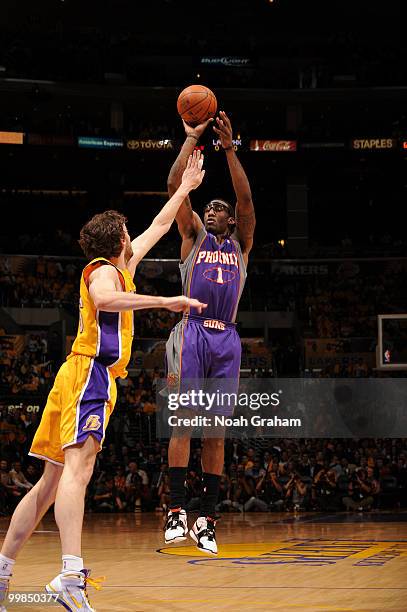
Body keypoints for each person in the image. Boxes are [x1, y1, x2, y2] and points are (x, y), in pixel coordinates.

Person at [0, 151, 207, 612]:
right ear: (117, 240)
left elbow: (158, 224)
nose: (136, 236)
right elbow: (107, 300)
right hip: (89, 375)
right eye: (128, 233)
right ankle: (71, 576)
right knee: (79, 471)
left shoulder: (120, 266)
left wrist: (184, 190)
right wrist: (166, 300)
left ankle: (1, 575)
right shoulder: (101, 270)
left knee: (50, 484)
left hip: (79, 378)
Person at [164, 112, 255, 554]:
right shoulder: (192, 238)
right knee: (184, 422)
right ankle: (177, 510)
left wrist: (231, 149)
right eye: (208, 207)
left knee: (216, 432)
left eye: (218, 208)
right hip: (193, 332)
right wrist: (190, 139)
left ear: (232, 222)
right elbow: (173, 188)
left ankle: (207, 518)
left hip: (228, 340)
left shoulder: (240, 244)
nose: (211, 210)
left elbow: (246, 200)